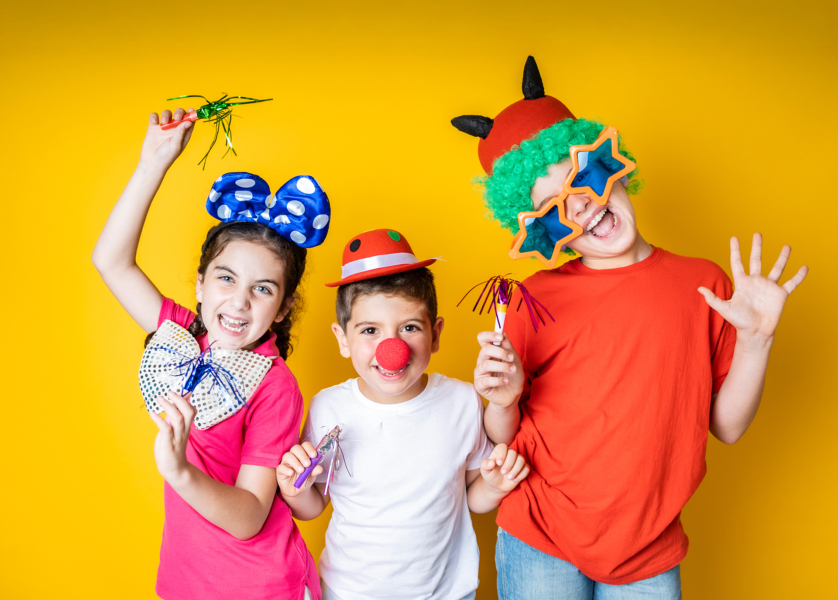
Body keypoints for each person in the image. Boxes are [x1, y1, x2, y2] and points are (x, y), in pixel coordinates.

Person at [452, 57, 809, 599]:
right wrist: (501, 400)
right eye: (553, 208)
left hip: (649, 544)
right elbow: (505, 435)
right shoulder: (534, 298)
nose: (581, 206)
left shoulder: (704, 284)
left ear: (612, 167)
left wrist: (757, 341)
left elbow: (728, 427)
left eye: (582, 179)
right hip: (540, 532)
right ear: (545, 233)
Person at [92, 108, 327, 600]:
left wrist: (179, 469)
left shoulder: (275, 386)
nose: (239, 302)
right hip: (185, 582)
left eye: (263, 289)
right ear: (200, 284)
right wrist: (153, 162)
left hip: (259, 585)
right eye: (226, 278)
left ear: (283, 308)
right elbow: (110, 260)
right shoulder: (182, 333)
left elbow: (248, 518)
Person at [276, 229, 530, 600]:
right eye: (369, 330)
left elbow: (471, 496)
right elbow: (314, 504)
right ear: (343, 339)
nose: (391, 349)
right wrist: (291, 487)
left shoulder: (462, 401)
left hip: (446, 592)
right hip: (349, 591)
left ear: (436, 333)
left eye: (409, 327)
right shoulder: (328, 407)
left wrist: (493, 485)